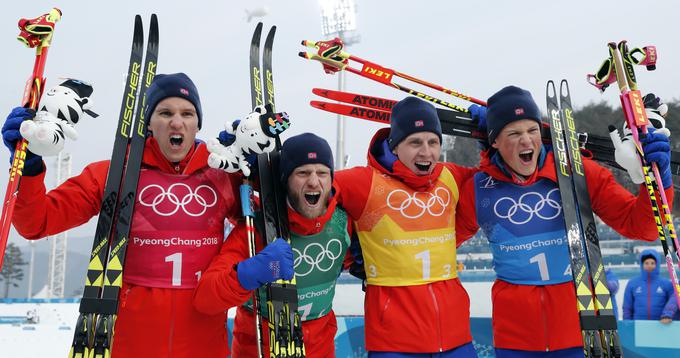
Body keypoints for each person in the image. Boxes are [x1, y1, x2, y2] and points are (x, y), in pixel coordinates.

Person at [3, 73, 243, 357]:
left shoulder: (223, 176)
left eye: (187, 113)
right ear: (149, 125)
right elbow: (37, 222)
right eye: (165, 112)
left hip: (204, 340)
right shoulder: (116, 172)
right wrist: (29, 167)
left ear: (197, 124)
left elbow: (262, 224)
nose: (177, 122)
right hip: (129, 340)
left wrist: (253, 165)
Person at [457, 86, 674, 357]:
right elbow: (441, 239)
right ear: (495, 141)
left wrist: (658, 179)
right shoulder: (479, 188)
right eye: (513, 133)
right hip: (514, 339)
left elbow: (641, 227)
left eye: (532, 131)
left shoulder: (578, 173)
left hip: (580, 332)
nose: (526, 141)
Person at [334, 96, 479, 357]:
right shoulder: (366, 182)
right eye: (415, 142)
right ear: (395, 146)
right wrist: (348, 254)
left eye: (433, 142)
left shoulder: (451, 176)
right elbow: (313, 188)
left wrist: (492, 137)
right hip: (394, 342)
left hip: (456, 337)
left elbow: (501, 179)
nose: (426, 152)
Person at [194, 133, 352, 357]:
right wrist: (248, 274)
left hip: (320, 349)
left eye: (322, 173)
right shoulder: (257, 229)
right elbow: (206, 299)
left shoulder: (343, 222)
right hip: (258, 349)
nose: (314, 181)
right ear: (286, 180)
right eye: (303, 173)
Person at [623, 249, 677, 323]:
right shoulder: (633, 283)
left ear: (657, 264)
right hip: (638, 326)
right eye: (646, 263)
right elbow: (627, 307)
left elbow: (673, 303)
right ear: (642, 264)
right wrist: (627, 323)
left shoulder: (666, 283)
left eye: (652, 263)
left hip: (660, 325)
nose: (649, 265)